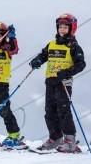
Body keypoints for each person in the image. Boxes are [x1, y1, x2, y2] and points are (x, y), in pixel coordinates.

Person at [30, 13, 86, 153]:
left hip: (63, 82)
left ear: (72, 28)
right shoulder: (52, 44)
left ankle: (70, 141)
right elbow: (43, 55)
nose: (62, 29)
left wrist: (66, 72)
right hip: (50, 81)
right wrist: (37, 61)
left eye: (65, 27)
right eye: (60, 27)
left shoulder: (73, 46)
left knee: (63, 111)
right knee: (49, 111)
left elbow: (81, 64)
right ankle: (55, 139)